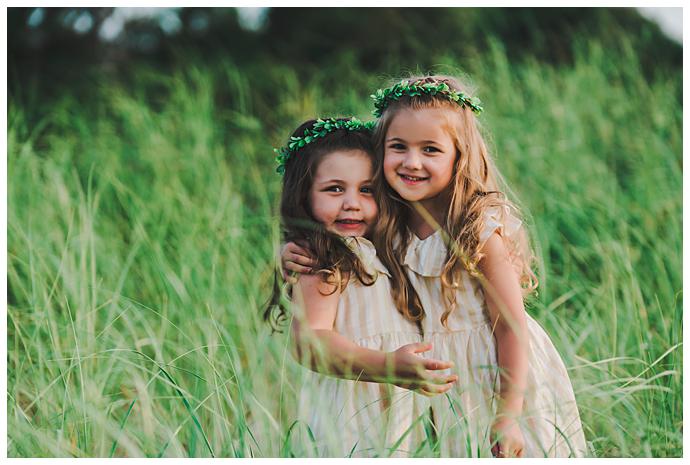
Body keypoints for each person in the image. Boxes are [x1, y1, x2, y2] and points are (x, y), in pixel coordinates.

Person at [282, 77, 588, 457]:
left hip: (498, 377)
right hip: (440, 385)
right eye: (398, 147)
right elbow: (340, 245)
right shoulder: (388, 221)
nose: (412, 162)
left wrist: (508, 414)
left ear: (459, 156)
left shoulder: (477, 228)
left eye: (430, 149)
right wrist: (290, 251)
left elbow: (510, 325)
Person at [264, 117, 458, 457]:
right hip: (352, 418)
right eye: (335, 189)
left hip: (402, 412)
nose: (352, 202)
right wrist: (387, 366)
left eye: (367, 190)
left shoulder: (385, 248)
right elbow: (311, 341)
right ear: (304, 195)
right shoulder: (323, 257)